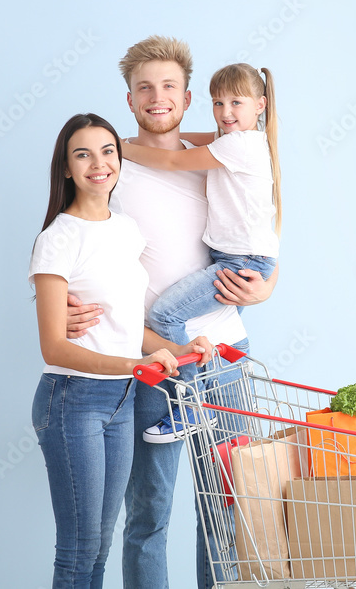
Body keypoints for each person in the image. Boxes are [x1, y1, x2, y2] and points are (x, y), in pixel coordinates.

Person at [64, 37, 278, 589]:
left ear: (186, 99)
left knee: (228, 508)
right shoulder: (111, 172)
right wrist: (60, 306)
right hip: (157, 358)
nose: (157, 97)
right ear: (129, 100)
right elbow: (66, 251)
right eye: (144, 88)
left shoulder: (218, 154)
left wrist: (267, 287)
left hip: (227, 354)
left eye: (168, 87)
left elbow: (257, 231)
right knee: (150, 512)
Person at [29, 112, 214, 588]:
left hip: (122, 400)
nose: (99, 163)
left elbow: (128, 326)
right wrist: (135, 364)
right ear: (66, 168)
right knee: (78, 549)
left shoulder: (127, 229)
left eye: (107, 151)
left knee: (101, 544)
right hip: (73, 399)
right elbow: (54, 346)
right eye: (82, 154)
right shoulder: (57, 240)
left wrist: (177, 347)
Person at [126, 63, 281, 443]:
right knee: (225, 472)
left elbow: (174, 159)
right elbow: (191, 141)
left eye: (236, 103)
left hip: (240, 262)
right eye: (218, 103)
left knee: (165, 313)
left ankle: (191, 407)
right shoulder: (242, 139)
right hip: (233, 257)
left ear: (260, 105)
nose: (226, 113)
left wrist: (119, 145)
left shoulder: (239, 145)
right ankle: (199, 399)